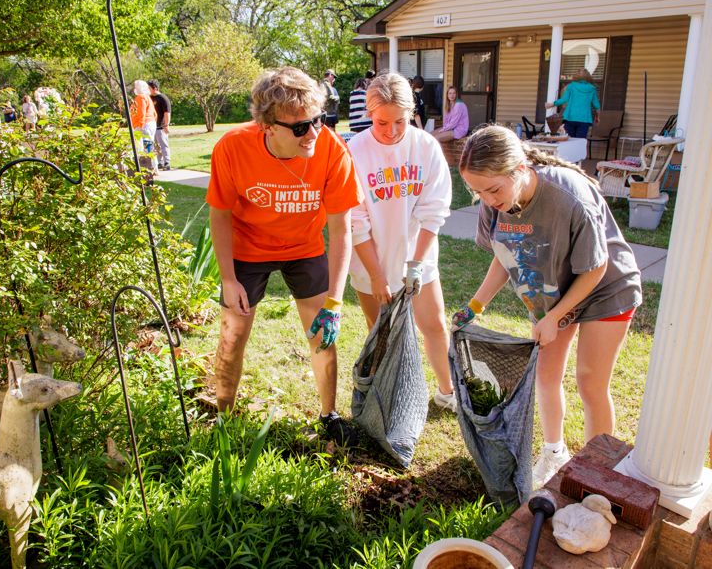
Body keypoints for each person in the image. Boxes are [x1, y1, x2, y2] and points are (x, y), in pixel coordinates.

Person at [453, 125, 642, 488]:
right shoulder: (494, 204)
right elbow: (503, 256)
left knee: (590, 382)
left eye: (493, 189)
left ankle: (597, 471)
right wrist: (475, 305)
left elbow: (596, 267)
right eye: (477, 192)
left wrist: (556, 316)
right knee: (546, 375)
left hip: (605, 288)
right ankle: (555, 453)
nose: (488, 200)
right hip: (553, 290)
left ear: (520, 169)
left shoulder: (569, 195)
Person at [206, 67, 362, 446]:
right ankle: (223, 418)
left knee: (322, 333)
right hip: (248, 249)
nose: (312, 134)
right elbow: (220, 214)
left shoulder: (331, 149)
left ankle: (329, 415)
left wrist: (336, 301)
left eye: (318, 121)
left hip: (304, 248)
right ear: (267, 125)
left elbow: (341, 230)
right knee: (232, 335)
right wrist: (228, 279)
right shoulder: (232, 147)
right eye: (299, 127)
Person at [347, 72, 456, 412]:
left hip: (418, 257)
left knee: (434, 324)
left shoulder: (425, 147)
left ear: (411, 113)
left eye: (400, 121)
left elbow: (433, 212)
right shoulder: (354, 151)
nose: (392, 131)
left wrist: (415, 264)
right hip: (370, 261)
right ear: (369, 113)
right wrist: (378, 276)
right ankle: (388, 391)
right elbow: (356, 220)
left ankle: (447, 391)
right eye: (381, 123)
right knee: (380, 331)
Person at [545, 68, 600, 139]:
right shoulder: (592, 88)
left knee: (570, 141)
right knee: (580, 142)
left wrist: (551, 104)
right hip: (584, 119)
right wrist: (598, 117)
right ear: (588, 76)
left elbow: (564, 99)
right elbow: (597, 105)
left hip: (570, 118)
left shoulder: (571, 86)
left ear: (576, 76)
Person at [147, 80, 172, 171]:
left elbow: (167, 113)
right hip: (152, 126)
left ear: (155, 88)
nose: (147, 90)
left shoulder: (163, 98)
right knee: (155, 146)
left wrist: (166, 125)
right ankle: (160, 162)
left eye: (148, 88)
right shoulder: (149, 98)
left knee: (163, 145)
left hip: (161, 126)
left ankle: (167, 162)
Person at [131, 79, 157, 152]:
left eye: (135, 87)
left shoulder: (141, 97)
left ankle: (148, 162)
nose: (134, 89)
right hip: (150, 123)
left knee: (144, 146)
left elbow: (141, 112)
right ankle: (152, 162)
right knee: (149, 145)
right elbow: (155, 114)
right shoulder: (147, 97)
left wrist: (140, 125)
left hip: (144, 124)